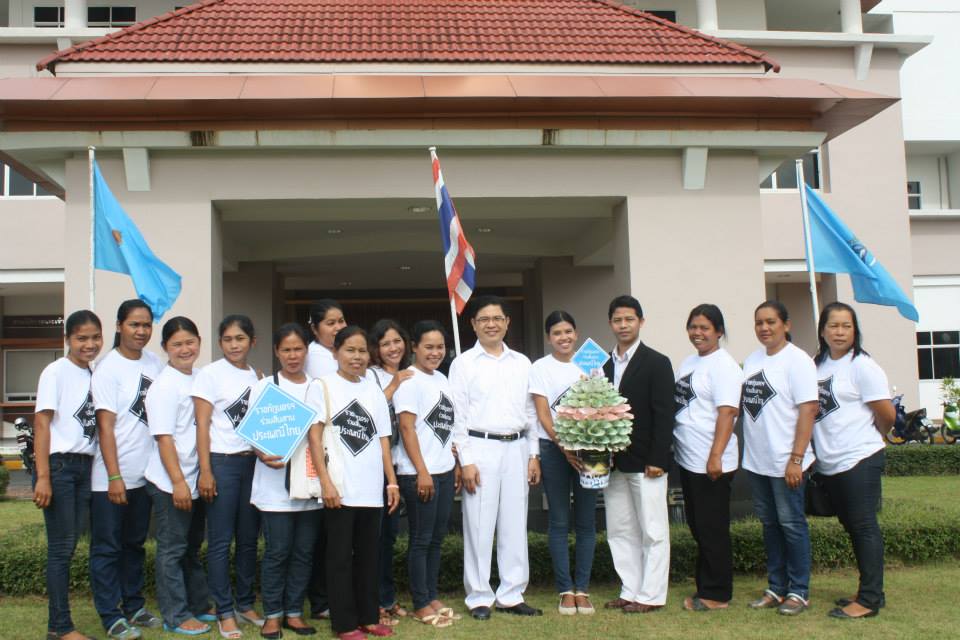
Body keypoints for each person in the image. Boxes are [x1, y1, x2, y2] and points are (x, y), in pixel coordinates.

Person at [305, 326, 401, 640]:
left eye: (362, 351)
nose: (357, 357)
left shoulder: (373, 388)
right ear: (336, 353)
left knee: (368, 557)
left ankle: (368, 617)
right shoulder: (322, 386)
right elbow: (314, 438)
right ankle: (345, 624)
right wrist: (326, 483)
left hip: (371, 488)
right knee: (339, 558)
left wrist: (391, 482)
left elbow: (384, 439)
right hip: (340, 488)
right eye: (350, 350)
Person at [449, 295, 542, 620]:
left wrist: (533, 453)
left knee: (515, 523)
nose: (491, 324)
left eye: (497, 318)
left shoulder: (522, 362)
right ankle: (478, 596)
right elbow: (457, 417)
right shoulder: (462, 364)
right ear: (473, 324)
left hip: (517, 448)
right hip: (480, 448)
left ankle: (512, 593)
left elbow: (530, 411)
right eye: (484, 319)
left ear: (507, 322)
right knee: (478, 523)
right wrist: (467, 460)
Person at [813, 302, 895, 619]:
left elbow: (887, 414)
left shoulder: (862, 366)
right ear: (822, 330)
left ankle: (870, 600)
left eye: (847, 326)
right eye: (833, 325)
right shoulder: (817, 364)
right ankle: (870, 590)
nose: (840, 332)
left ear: (855, 331)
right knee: (852, 527)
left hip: (860, 457)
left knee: (863, 527)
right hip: (831, 462)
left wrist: (875, 435)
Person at [90, 299, 165, 639]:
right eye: (134, 324)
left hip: (144, 475)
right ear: (119, 325)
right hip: (110, 478)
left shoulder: (154, 363)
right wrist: (114, 475)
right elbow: (105, 427)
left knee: (134, 544)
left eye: (146, 325)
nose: (141, 331)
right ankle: (110, 615)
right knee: (108, 547)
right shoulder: (108, 368)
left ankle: (134, 605)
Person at [742, 300, 818, 616]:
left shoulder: (798, 361)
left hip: (787, 461)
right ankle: (776, 587)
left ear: (785, 325)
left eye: (771, 321)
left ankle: (799, 591)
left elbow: (808, 409)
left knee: (792, 525)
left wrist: (796, 458)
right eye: (759, 322)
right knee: (770, 525)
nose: (764, 328)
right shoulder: (751, 360)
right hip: (757, 461)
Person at [601, 295, 675, 614]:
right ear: (610, 324)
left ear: (641, 322)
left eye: (629, 319)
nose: (623, 325)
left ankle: (651, 594)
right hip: (612, 464)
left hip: (647, 462)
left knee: (653, 530)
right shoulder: (601, 365)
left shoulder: (657, 362)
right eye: (617, 320)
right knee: (619, 529)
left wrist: (658, 458)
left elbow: (664, 414)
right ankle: (630, 589)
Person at [32, 310, 103, 640]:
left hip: (84, 467)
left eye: (95, 337)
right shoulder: (55, 372)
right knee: (61, 549)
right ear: (68, 340)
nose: (89, 344)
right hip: (59, 467)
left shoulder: (92, 373)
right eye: (82, 338)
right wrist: (43, 476)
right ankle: (59, 627)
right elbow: (42, 422)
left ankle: (58, 626)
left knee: (71, 546)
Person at [192, 315, 263, 638]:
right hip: (222, 464)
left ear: (252, 342)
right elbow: (202, 425)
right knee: (221, 541)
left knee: (248, 540)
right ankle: (224, 610)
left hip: (253, 465)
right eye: (228, 339)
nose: (234, 345)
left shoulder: (257, 377)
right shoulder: (209, 375)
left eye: (240, 339)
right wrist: (205, 471)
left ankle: (245, 604)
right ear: (220, 343)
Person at [251, 323, 322, 639]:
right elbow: (253, 434)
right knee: (278, 551)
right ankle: (272, 615)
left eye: (298, 349)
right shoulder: (265, 387)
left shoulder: (318, 387)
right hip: (274, 485)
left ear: (307, 351)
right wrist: (261, 452)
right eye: (286, 350)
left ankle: (294, 612)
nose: (293, 356)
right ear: (277, 352)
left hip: (309, 482)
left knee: (304, 552)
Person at [143, 316, 214, 636]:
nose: (185, 349)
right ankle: (175, 614)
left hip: (197, 478)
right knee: (172, 550)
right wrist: (178, 483)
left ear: (199, 342)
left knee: (190, 547)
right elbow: (164, 438)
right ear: (165, 349)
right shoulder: (164, 386)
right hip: (171, 481)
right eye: (177, 344)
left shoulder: (199, 378)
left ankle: (198, 603)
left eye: (190, 342)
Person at [529, 311, 598, 616]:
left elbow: (602, 403)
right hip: (554, 449)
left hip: (592, 448)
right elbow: (543, 413)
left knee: (586, 521)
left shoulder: (590, 361)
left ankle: (582, 589)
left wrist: (585, 445)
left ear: (577, 332)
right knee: (558, 521)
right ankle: (565, 590)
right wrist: (565, 446)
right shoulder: (539, 367)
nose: (564, 338)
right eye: (557, 333)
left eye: (568, 331)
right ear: (549, 337)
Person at [674, 304, 742, 612]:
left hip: (711, 462)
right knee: (699, 527)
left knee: (712, 528)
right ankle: (706, 586)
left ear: (719, 332)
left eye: (704, 328)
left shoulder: (724, 366)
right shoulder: (690, 362)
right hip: (689, 459)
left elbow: (727, 412)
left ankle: (717, 594)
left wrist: (715, 456)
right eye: (693, 327)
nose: (697, 333)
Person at [393, 320, 460, 627]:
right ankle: (420, 602)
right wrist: (422, 472)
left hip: (444, 470)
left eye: (440, 347)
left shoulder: (443, 379)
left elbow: (448, 429)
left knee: (436, 538)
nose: (435, 353)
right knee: (420, 540)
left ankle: (431, 594)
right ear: (415, 347)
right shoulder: (409, 380)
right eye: (429, 347)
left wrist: (455, 464)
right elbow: (407, 429)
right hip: (418, 473)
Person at [367, 319, 415, 626]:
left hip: (398, 466)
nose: (393, 347)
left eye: (397, 341)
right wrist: (395, 383)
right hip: (374, 468)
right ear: (376, 349)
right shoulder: (371, 375)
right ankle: (373, 601)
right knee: (374, 537)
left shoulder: (413, 374)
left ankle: (387, 597)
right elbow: (370, 411)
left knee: (389, 538)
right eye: (385, 343)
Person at [304, 299, 345, 621]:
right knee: (322, 535)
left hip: (344, 454)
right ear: (315, 327)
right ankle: (320, 600)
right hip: (322, 451)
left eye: (341, 321)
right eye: (330, 322)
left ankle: (330, 596)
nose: (338, 327)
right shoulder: (316, 357)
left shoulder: (340, 354)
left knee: (335, 534)